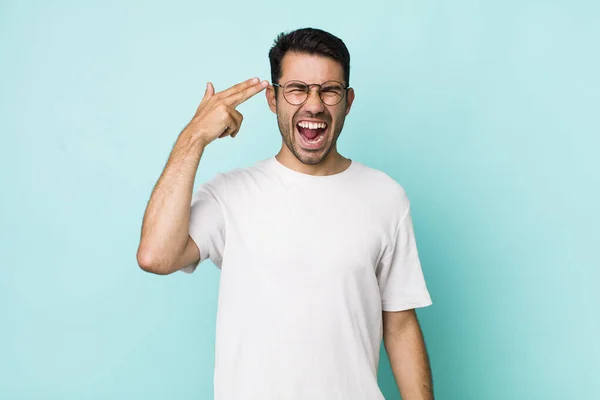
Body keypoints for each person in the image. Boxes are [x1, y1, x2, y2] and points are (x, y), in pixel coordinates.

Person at [137, 27, 434, 400]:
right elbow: (155, 256)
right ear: (273, 99)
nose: (314, 105)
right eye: (297, 89)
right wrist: (193, 137)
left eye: (329, 90)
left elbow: (401, 324)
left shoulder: (386, 197)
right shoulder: (230, 194)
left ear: (348, 100)